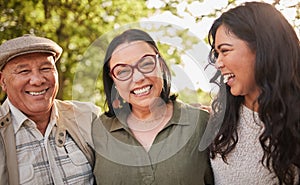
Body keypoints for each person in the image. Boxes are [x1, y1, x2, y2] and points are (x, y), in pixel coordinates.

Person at [92, 29, 214, 184]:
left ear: (161, 65)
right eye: (122, 71)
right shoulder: (97, 132)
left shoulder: (202, 123)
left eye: (146, 64)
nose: (138, 77)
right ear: (113, 80)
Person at [206, 2, 300, 185]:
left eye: (225, 50)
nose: (218, 63)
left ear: (263, 49)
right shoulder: (221, 118)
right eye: (217, 54)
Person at [0, 34, 100, 185]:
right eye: (24, 71)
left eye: (46, 68)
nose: (38, 80)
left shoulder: (87, 117)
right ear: (3, 82)